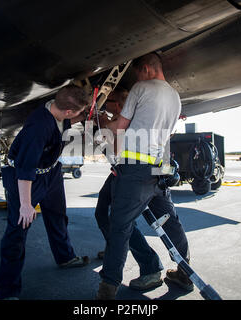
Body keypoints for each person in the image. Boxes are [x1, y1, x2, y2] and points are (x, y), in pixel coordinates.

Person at [96, 53, 192, 299]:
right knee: (170, 221)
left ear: (146, 69)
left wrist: (98, 126)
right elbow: (165, 136)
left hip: (134, 168)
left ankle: (107, 289)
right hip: (158, 167)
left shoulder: (142, 87)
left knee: (119, 225)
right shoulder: (175, 97)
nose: (136, 78)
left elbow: (120, 128)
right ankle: (185, 272)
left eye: (137, 73)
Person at [0, 84, 90, 300]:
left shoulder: (58, 110)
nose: (78, 116)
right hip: (26, 178)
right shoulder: (38, 127)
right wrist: (26, 205)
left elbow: (71, 119)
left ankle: (65, 257)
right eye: (77, 113)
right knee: (17, 231)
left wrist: (88, 109)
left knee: (57, 215)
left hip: (51, 172)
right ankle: (7, 290)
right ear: (67, 111)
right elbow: (25, 169)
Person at [94, 88, 164, 291]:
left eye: (109, 101)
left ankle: (150, 266)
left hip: (132, 173)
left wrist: (99, 122)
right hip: (122, 171)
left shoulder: (129, 121)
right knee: (103, 214)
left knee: (119, 221)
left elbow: (114, 145)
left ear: (118, 105)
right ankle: (115, 249)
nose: (105, 105)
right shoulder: (118, 119)